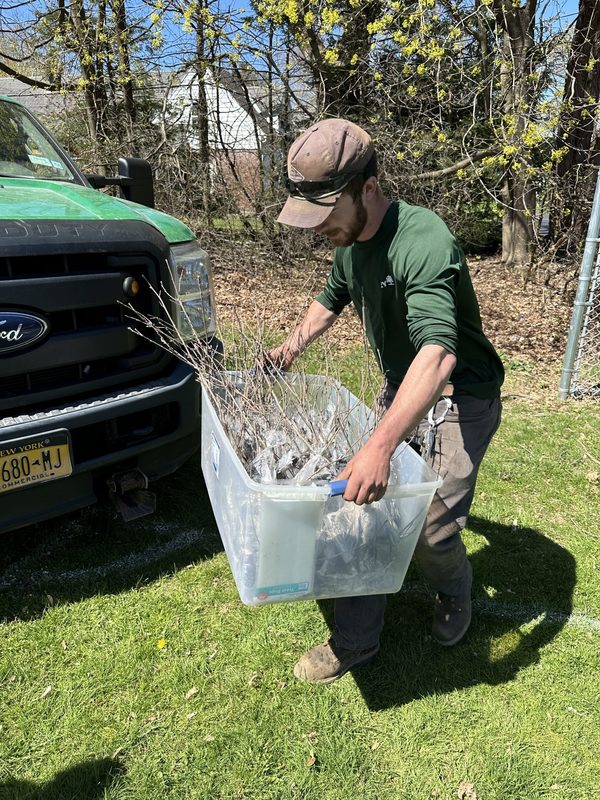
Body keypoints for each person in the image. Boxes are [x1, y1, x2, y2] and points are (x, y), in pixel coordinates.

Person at [266, 118, 504, 684]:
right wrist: (289, 348)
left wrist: (377, 445)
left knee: (431, 530)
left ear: (368, 189)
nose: (317, 228)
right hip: (402, 388)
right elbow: (330, 299)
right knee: (362, 507)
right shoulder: (348, 242)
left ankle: (454, 592)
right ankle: (356, 640)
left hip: (460, 395)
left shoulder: (422, 239)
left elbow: (439, 354)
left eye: (326, 213)